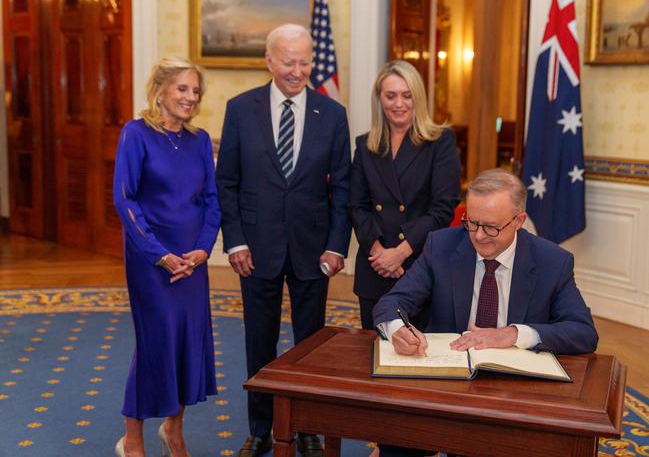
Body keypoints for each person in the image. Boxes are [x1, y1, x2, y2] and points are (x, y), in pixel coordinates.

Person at [373, 168, 598, 457]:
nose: (479, 236)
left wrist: (515, 333)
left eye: (491, 227)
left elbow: (583, 331)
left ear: (519, 221)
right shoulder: (441, 245)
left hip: (514, 395)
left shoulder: (552, 261)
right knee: (396, 440)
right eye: (472, 223)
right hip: (445, 386)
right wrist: (397, 328)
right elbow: (392, 302)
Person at [215, 23, 352, 457]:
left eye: (304, 61)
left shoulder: (332, 114)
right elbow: (228, 182)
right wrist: (235, 242)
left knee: (310, 343)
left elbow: (343, 188)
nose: (298, 71)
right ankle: (260, 429)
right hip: (255, 250)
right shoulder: (240, 109)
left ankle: (308, 426)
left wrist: (336, 245)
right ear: (269, 60)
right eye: (288, 61)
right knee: (260, 339)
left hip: (314, 249)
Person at [113, 57, 221, 457]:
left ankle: (173, 430)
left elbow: (212, 202)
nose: (190, 97)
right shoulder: (135, 134)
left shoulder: (199, 140)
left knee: (185, 342)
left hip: (192, 263)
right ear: (159, 90)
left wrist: (202, 250)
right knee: (155, 342)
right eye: (182, 89)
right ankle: (133, 438)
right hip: (152, 263)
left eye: (195, 91)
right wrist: (160, 256)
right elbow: (125, 199)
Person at [350, 60, 461, 330]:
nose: (398, 103)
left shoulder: (440, 142)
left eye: (406, 95)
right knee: (374, 353)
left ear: (418, 98)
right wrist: (380, 254)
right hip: (375, 267)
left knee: (418, 356)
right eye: (390, 96)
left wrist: (399, 253)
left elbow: (442, 209)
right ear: (380, 99)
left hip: (418, 264)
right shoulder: (365, 146)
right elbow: (356, 205)